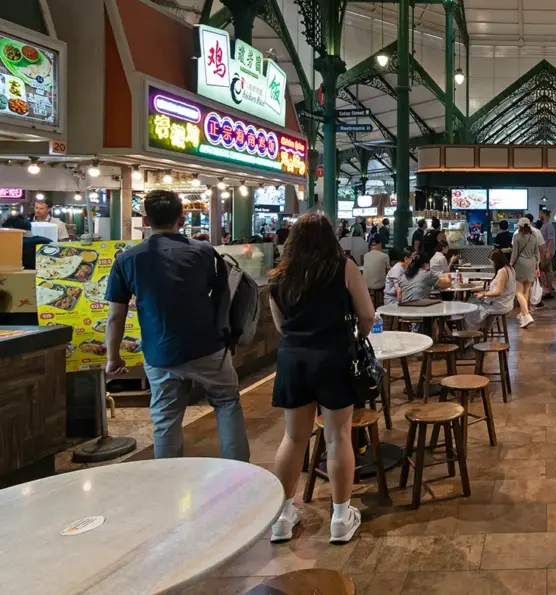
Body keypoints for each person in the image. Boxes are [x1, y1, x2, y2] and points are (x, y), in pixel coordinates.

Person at [103, 190, 248, 461]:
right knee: (227, 403)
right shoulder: (203, 251)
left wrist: (113, 357)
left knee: (165, 420)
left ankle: (169, 482)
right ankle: (241, 471)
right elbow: (224, 295)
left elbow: (115, 316)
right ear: (181, 219)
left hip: (161, 353)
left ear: (146, 220)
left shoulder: (127, 260)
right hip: (209, 348)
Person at [266, 212, 374, 545]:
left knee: (294, 437)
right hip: (333, 356)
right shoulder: (343, 268)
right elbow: (367, 314)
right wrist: (356, 337)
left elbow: (281, 326)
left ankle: (282, 517)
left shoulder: (279, 276)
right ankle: (341, 517)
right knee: (338, 436)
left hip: (293, 359)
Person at [466, 249, 517, 334]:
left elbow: (498, 292)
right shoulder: (510, 269)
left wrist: (484, 294)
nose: (492, 264)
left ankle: (470, 334)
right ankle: (481, 331)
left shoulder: (502, 271)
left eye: (492, 262)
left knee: (470, 306)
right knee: (473, 302)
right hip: (506, 303)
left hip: (500, 305)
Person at [509, 217, 540, 328]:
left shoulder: (517, 236)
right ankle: (523, 315)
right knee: (526, 291)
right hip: (532, 264)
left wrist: (510, 265)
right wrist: (537, 267)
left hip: (520, 264)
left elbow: (514, 253)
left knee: (518, 292)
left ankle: (527, 315)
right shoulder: (534, 237)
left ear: (520, 226)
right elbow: (537, 254)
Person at [538, 208, 556, 298]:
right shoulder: (544, 225)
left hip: (546, 252)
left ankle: (548, 290)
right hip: (544, 252)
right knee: (544, 271)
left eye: (540, 214)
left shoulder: (548, 225)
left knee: (546, 271)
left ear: (544, 215)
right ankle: (547, 289)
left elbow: (550, 239)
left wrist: (548, 252)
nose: (539, 216)